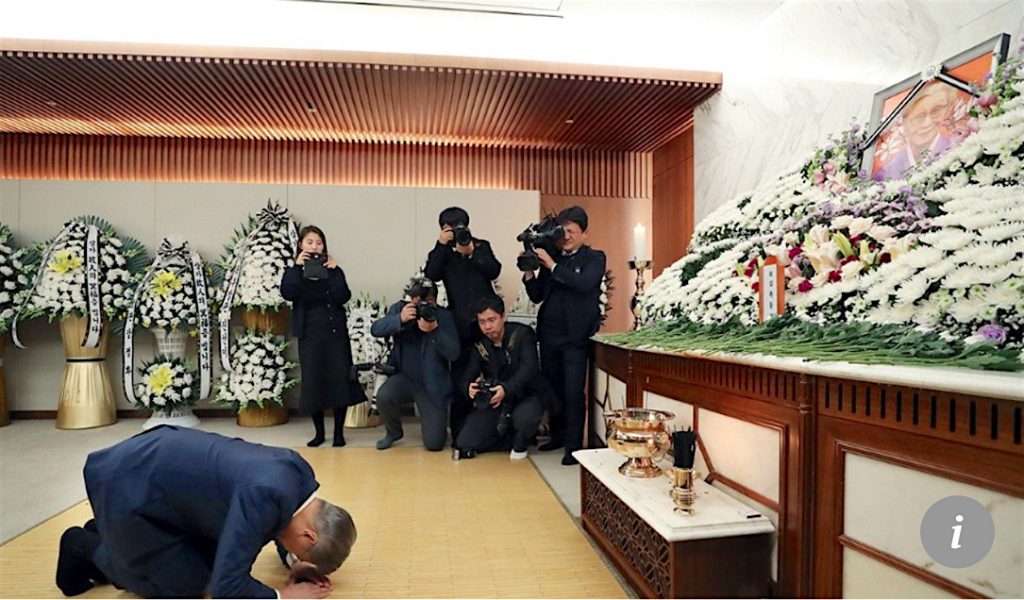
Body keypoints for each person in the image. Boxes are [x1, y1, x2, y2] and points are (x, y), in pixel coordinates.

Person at [55, 426, 357, 599]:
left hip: (159, 483)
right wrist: (282, 597)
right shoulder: (263, 495)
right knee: (184, 587)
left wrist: (294, 562)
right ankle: (83, 544)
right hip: (127, 487)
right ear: (309, 534)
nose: (295, 557)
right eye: (302, 553)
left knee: (207, 563)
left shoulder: (299, 475)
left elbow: (280, 522)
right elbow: (227, 589)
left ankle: (107, 529)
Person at [523, 205, 606, 466]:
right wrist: (528, 272)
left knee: (572, 392)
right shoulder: (554, 258)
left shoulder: (595, 258)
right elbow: (537, 295)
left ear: (584, 232)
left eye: (571, 231)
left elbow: (583, 285)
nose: (566, 236)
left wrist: (553, 265)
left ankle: (573, 446)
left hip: (575, 338)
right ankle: (558, 436)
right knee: (554, 390)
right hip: (549, 335)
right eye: (563, 231)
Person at [281, 225, 366, 448]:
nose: (314, 246)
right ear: (301, 245)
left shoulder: (333, 270)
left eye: (318, 242)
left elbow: (343, 296)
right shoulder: (294, 270)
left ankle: (339, 433)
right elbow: (288, 292)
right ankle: (319, 433)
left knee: (340, 380)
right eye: (309, 242)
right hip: (309, 333)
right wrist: (298, 267)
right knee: (313, 382)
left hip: (335, 333)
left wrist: (335, 271)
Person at [423, 207, 502, 440]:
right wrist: (440, 245)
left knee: (491, 370)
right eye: (449, 227)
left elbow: (494, 270)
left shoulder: (481, 246)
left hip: (484, 322)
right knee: (461, 376)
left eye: (459, 226)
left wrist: (470, 253)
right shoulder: (443, 253)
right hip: (459, 323)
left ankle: (491, 427)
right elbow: (431, 274)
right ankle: (459, 431)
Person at [370, 277, 459, 451]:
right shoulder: (400, 309)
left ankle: (437, 426)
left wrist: (434, 330)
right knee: (384, 396)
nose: (423, 307)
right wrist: (400, 319)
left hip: (432, 385)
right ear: (411, 299)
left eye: (429, 302)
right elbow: (376, 329)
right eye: (419, 302)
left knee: (434, 445)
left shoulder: (443, 316)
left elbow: (454, 353)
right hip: (405, 378)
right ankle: (393, 433)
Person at [455, 296, 545, 460]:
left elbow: (529, 369)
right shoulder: (480, 346)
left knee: (526, 417)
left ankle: (521, 442)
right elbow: (467, 376)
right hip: (497, 401)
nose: (488, 326)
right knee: (464, 442)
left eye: (492, 320)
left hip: (527, 395)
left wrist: (507, 389)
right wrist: (469, 388)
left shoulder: (522, 334)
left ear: (503, 317)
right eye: (482, 322)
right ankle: (511, 436)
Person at [874, 83, 963, 181]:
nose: (927, 123)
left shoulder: (960, 153)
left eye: (936, 111)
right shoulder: (887, 171)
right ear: (903, 121)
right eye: (919, 116)